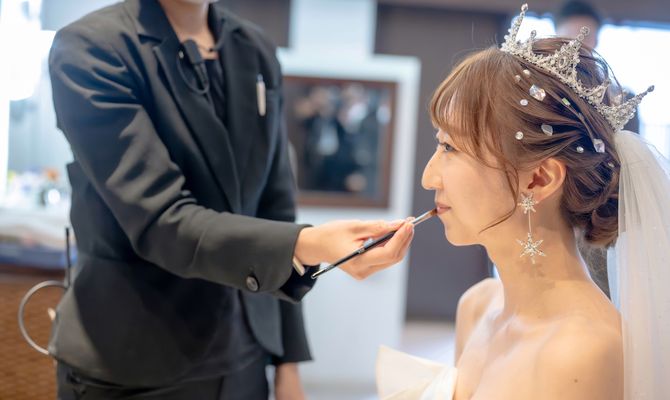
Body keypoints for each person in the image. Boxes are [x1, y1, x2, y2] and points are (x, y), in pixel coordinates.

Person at [48, 0, 415, 399]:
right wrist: (310, 243)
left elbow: (276, 209)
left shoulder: (254, 48)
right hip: (135, 357)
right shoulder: (94, 48)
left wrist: (287, 363)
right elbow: (162, 220)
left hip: (246, 354)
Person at [376, 4, 668, 399]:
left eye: (450, 148)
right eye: (438, 142)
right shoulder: (477, 306)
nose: (429, 177)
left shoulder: (583, 352)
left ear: (539, 178)